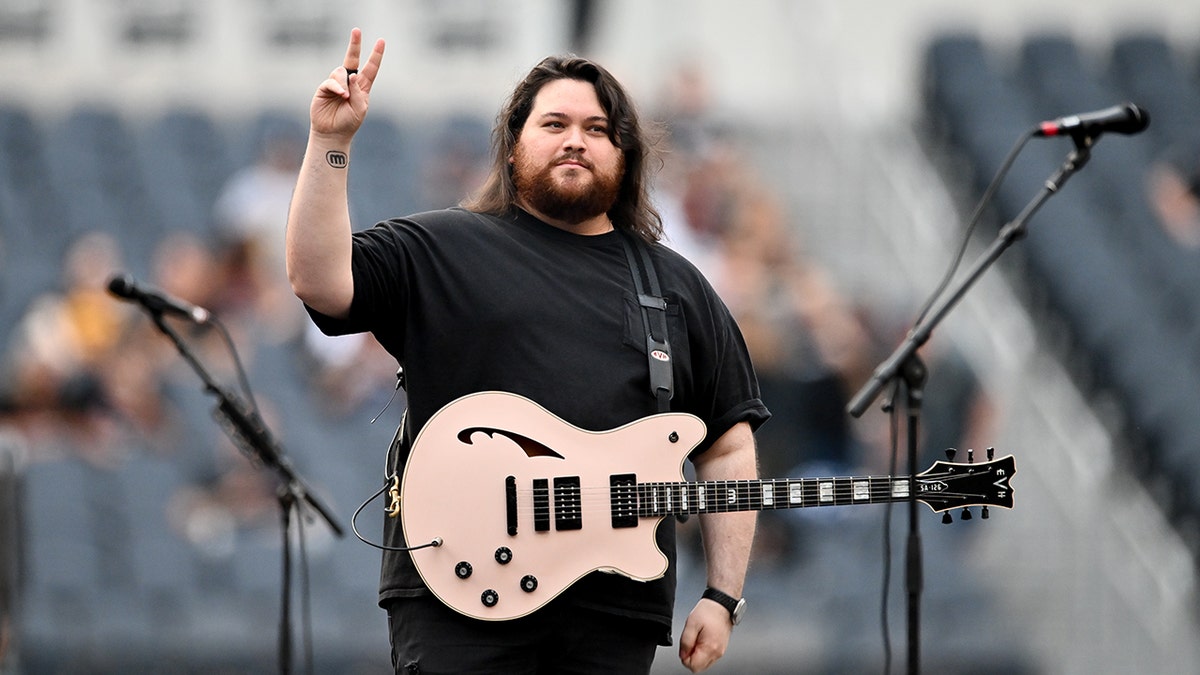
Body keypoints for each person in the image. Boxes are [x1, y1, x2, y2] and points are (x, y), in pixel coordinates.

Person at [286, 28, 769, 674]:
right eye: (555, 124)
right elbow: (319, 280)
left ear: (624, 157)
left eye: (598, 130)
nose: (576, 140)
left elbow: (727, 445)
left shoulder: (675, 287)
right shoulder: (443, 248)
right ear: (513, 147)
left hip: (610, 613)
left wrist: (722, 595)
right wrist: (331, 142)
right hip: (461, 598)